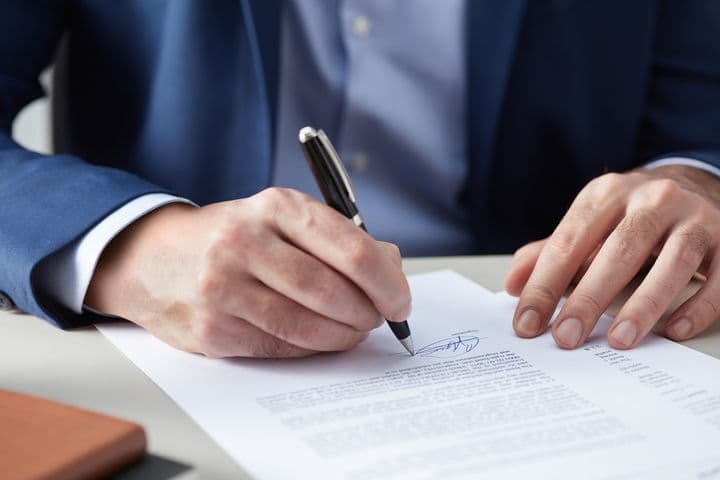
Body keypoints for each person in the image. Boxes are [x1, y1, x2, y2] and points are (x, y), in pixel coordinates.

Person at [1, 1, 719, 358]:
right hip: (174, 364)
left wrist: (698, 183)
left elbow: (702, 119)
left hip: (556, 333)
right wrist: (132, 246)